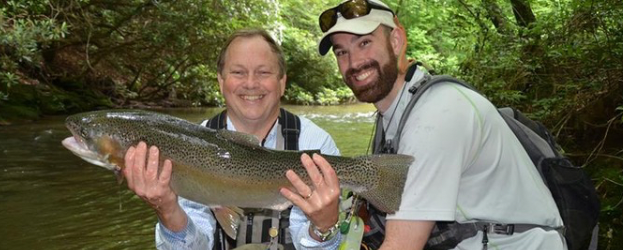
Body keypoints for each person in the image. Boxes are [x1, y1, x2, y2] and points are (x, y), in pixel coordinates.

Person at [281, 0, 568, 249]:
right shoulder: (395, 113)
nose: (354, 62)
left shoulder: (437, 115)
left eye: (364, 43)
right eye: (341, 52)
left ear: (396, 41)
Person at [121, 29, 342, 250]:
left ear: (282, 82)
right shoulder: (187, 147)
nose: (251, 83)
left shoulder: (316, 143)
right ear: (221, 81)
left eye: (263, 72)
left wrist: (323, 228)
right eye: (238, 72)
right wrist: (168, 211)